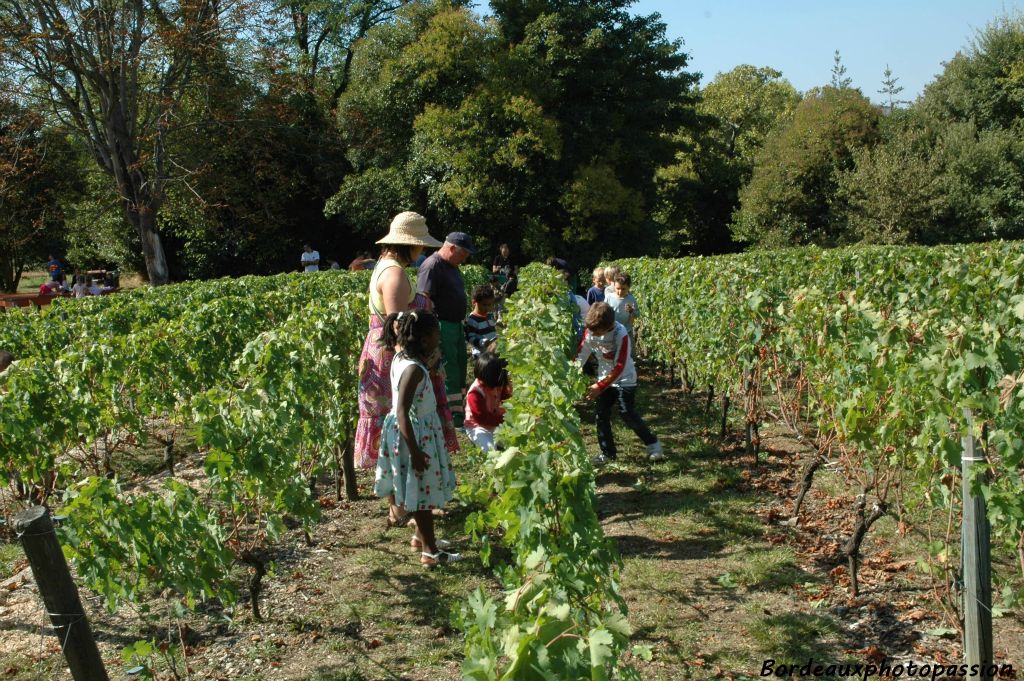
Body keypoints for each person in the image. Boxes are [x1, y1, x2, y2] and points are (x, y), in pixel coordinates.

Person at [356, 212, 458, 477]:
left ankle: (403, 501)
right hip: (392, 358)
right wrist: (417, 366)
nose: (422, 248)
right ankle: (404, 501)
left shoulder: (385, 265)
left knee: (397, 425)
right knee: (400, 422)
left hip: (388, 354)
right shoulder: (394, 274)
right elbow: (400, 328)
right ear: (408, 244)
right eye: (420, 243)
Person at [375, 310, 461, 566]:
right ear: (424, 340)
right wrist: (414, 451)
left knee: (417, 489)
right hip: (415, 435)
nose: (439, 338)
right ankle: (431, 552)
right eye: (436, 334)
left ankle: (420, 537)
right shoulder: (414, 369)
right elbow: (402, 409)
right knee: (422, 495)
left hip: (411, 432)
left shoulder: (402, 358)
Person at [576, 302, 664, 465]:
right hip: (604, 378)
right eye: (592, 331)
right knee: (601, 415)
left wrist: (599, 386)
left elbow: (620, 365)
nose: (593, 334)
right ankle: (607, 452)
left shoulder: (620, 333)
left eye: (598, 332)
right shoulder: (591, 331)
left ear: (608, 326)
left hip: (625, 379)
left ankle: (653, 445)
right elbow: (582, 353)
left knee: (627, 413)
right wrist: (573, 372)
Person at [418, 232, 474, 427]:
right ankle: (450, 416)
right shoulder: (432, 266)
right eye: (463, 254)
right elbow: (424, 299)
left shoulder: (452, 266)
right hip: (442, 326)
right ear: (451, 248)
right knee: (448, 370)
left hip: (455, 325)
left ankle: (458, 412)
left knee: (459, 367)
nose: (464, 259)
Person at [463, 352, 512, 453]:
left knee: (511, 441)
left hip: (495, 423)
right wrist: (503, 419)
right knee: (490, 449)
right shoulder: (475, 393)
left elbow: (506, 400)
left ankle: (499, 442)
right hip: (477, 427)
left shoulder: (497, 385)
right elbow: (482, 418)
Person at [465, 285, 498, 357]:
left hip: (491, 353)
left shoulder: (489, 315)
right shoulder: (472, 320)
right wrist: (483, 342)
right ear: (474, 302)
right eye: (484, 305)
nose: (487, 308)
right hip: (481, 356)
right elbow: (470, 338)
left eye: (490, 305)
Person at [603, 272, 639, 336]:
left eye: (623, 289)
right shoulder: (609, 297)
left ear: (629, 287)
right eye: (618, 288)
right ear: (614, 286)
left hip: (626, 331)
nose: (620, 292)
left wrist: (631, 311)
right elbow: (603, 313)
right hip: (611, 331)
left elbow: (636, 315)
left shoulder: (631, 299)